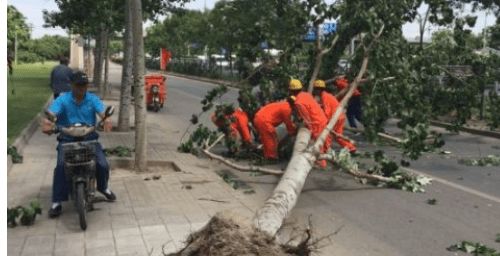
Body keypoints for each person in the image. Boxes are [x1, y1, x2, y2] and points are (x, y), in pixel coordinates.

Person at [42, 71, 116, 218]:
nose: (81, 88)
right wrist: (48, 124)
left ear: (87, 85)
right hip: (67, 139)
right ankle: (57, 201)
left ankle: (103, 187)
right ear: (72, 85)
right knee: (62, 165)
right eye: (78, 84)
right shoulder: (63, 100)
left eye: (84, 84)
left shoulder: (93, 99)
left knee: (102, 164)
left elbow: (103, 114)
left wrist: (106, 121)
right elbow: (51, 114)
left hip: (89, 138)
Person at [289, 79, 329, 167]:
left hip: (316, 122)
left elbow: (306, 117)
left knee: (317, 142)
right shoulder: (306, 95)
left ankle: (321, 163)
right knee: (323, 140)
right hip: (321, 118)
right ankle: (326, 156)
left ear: (291, 91)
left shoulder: (298, 102)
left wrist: (310, 128)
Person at [313, 80, 356, 153]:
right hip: (339, 116)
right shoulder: (325, 95)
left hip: (337, 118)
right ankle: (351, 148)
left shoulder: (325, 97)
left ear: (318, 89)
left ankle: (327, 150)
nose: (314, 91)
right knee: (337, 136)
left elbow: (327, 113)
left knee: (329, 134)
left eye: (315, 89)